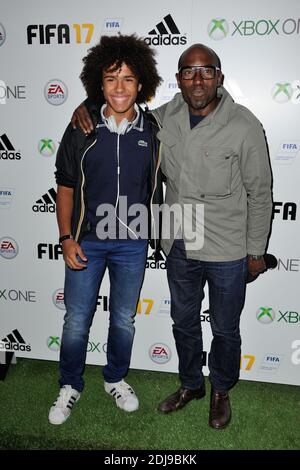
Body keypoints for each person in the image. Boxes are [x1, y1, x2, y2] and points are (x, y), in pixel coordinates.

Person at [71, 43, 273, 429]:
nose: (197, 80)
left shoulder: (245, 125)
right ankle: (191, 384)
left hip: (228, 246)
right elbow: (120, 106)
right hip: (180, 240)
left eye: (206, 71)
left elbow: (260, 192)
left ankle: (221, 390)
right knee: (183, 322)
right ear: (178, 79)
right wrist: (87, 103)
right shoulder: (164, 118)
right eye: (188, 72)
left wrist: (255, 251)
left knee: (226, 327)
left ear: (219, 77)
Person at [48, 34, 162, 425]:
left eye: (128, 79)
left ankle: (115, 378)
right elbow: (64, 186)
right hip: (87, 243)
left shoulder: (153, 130)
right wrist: (66, 238)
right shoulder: (81, 126)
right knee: (77, 319)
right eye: (111, 78)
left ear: (141, 84)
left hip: (131, 244)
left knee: (124, 319)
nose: (119, 87)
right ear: (99, 83)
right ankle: (70, 384)